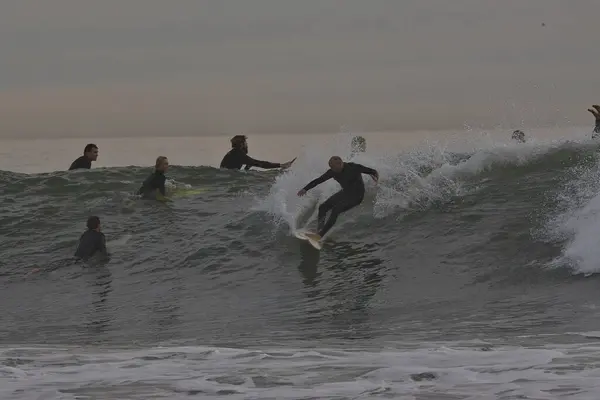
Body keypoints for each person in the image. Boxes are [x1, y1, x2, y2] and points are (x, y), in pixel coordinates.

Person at [297, 156, 378, 240]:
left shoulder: (353, 167)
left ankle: (320, 235)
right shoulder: (332, 172)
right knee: (323, 207)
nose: (332, 170)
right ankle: (319, 230)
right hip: (345, 193)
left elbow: (372, 171)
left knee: (336, 210)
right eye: (331, 168)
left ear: (340, 164)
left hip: (357, 196)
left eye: (333, 168)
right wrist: (305, 189)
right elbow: (318, 180)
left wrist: (374, 176)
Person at [220, 135, 295, 170]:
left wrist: (248, 167)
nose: (247, 145)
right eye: (246, 143)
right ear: (242, 144)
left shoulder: (233, 153)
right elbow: (260, 164)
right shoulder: (238, 153)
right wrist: (281, 165)